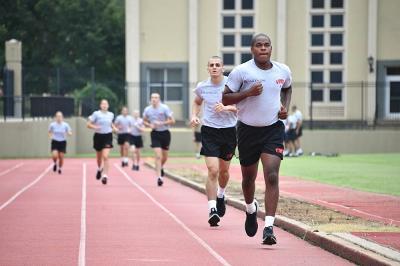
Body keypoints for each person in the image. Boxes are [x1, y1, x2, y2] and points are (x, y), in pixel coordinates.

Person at [222, 33, 292, 245]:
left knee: (271, 176)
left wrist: (285, 108)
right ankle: (251, 209)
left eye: (266, 45)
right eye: (259, 45)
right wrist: (248, 93)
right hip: (247, 130)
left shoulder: (283, 70)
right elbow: (224, 98)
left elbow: (287, 88)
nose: (263, 48)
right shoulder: (241, 72)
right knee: (248, 179)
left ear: (271, 48)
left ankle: (269, 227)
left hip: (273, 129)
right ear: (252, 49)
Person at [191, 56, 237, 227]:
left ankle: (221, 194)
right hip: (209, 131)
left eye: (218, 65)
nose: (215, 67)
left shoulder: (231, 85)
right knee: (213, 170)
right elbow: (197, 102)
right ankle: (212, 209)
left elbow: (240, 107)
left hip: (228, 132)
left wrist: (226, 107)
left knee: (224, 172)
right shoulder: (202, 87)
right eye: (212, 65)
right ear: (208, 68)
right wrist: (194, 115)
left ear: (223, 68)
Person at [143, 93, 175, 186]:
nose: (154, 99)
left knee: (164, 157)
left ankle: (160, 167)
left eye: (156, 97)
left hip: (165, 133)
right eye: (152, 97)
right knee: (158, 155)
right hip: (155, 133)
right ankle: (159, 177)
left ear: (159, 99)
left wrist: (161, 123)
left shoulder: (164, 108)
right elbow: (144, 121)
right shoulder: (147, 109)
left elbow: (172, 121)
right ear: (150, 99)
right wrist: (149, 125)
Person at [87, 99, 118, 185]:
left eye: (106, 104)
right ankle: (99, 168)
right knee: (99, 158)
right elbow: (88, 124)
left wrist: (114, 128)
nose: (104, 105)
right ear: (100, 105)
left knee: (106, 156)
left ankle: (105, 176)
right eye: (103, 104)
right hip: (98, 136)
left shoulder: (111, 114)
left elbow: (110, 123)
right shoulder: (96, 114)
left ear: (108, 106)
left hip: (107, 136)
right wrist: (95, 127)